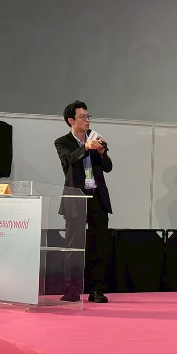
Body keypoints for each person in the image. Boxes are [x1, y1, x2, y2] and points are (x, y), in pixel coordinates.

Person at [54, 101, 113, 303]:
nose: (87, 120)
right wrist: (85, 147)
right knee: (74, 246)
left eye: (88, 116)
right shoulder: (62, 142)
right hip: (76, 197)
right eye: (83, 117)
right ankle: (71, 290)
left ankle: (96, 290)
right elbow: (68, 160)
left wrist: (102, 153)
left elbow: (108, 167)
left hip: (97, 197)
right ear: (71, 120)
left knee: (99, 245)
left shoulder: (95, 139)